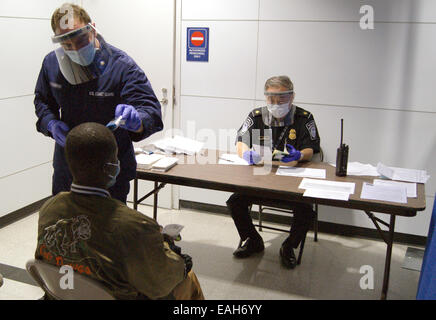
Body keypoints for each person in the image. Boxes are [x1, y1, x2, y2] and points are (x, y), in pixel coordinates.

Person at [35, 122, 204, 300]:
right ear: (111, 167)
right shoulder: (135, 225)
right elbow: (161, 283)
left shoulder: (49, 208)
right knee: (188, 278)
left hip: (62, 295)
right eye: (116, 157)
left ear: (69, 163)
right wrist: (171, 251)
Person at [34, 3, 163, 203]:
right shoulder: (52, 64)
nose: (76, 49)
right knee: (65, 227)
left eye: (81, 40)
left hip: (110, 171)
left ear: (92, 28)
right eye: (67, 45)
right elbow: (42, 101)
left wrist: (138, 121)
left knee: (108, 231)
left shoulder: (121, 65)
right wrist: (50, 123)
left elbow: (150, 109)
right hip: (69, 168)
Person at [227, 75, 321, 269]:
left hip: (291, 181)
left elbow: (312, 149)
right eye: (271, 98)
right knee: (235, 201)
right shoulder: (257, 115)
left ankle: (289, 246)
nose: (275, 103)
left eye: (281, 98)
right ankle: (253, 240)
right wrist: (246, 154)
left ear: (292, 97)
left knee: (305, 210)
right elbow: (240, 141)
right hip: (261, 180)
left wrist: (299, 155)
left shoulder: (304, 118)